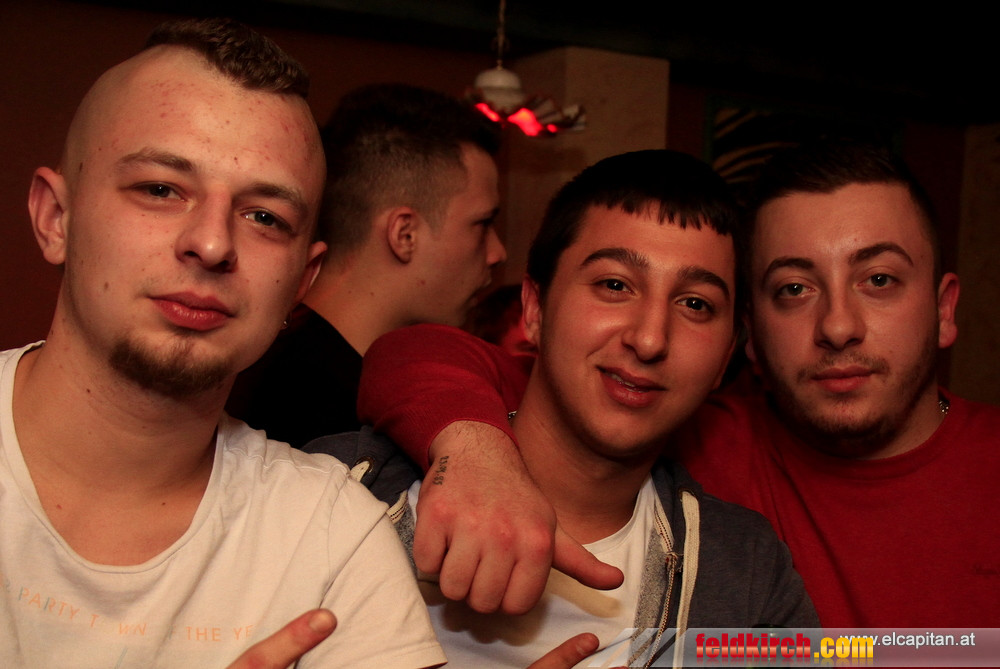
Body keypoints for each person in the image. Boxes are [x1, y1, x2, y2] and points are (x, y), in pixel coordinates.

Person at [356, 139, 1000, 629]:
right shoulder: (702, 429)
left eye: (879, 280)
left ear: (945, 309)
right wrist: (475, 450)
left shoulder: (738, 542)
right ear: (749, 339)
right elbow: (416, 354)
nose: (837, 325)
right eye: (793, 289)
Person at [0, 18, 447, 668]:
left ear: (302, 281)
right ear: (55, 218)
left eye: (265, 216)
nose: (211, 243)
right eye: (160, 189)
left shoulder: (330, 538)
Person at [309, 151, 817, 667]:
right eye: (614, 285)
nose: (649, 339)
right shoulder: (335, 491)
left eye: (695, 304)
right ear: (535, 308)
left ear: (726, 355)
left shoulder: (750, 576)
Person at [226, 84, 508, 446]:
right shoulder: (316, 407)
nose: (498, 253)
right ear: (404, 234)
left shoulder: (281, 362)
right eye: (482, 224)